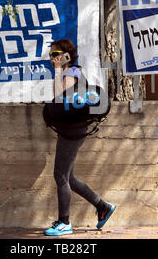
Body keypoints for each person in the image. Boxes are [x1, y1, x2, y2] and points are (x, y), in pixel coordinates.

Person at [44, 39, 116, 236]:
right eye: (50, 55)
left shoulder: (70, 73)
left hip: (72, 131)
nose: (52, 58)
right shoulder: (71, 72)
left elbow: (59, 100)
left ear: (66, 55)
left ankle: (64, 222)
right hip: (73, 129)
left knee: (60, 176)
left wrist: (58, 70)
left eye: (55, 54)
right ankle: (103, 207)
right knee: (69, 178)